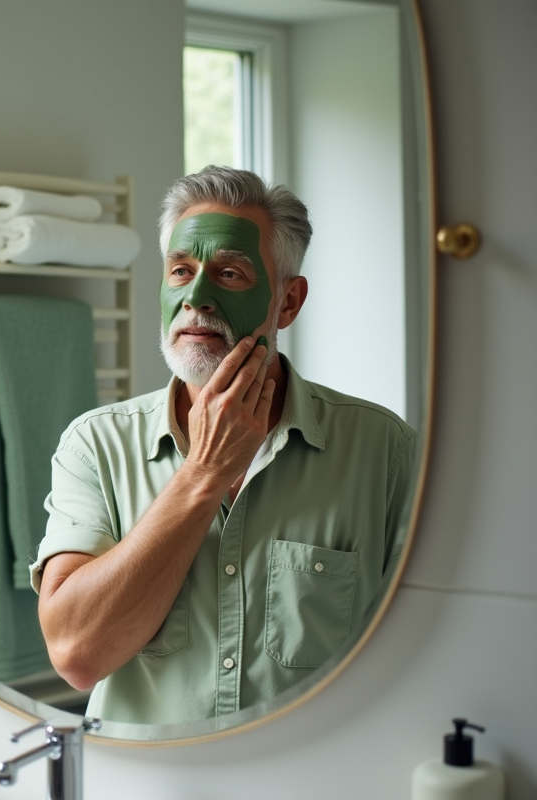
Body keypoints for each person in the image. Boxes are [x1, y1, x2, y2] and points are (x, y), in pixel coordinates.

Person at [31, 166, 417, 726]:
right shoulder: (95, 446)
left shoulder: (385, 450)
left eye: (230, 273)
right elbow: (76, 655)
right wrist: (203, 474)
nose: (197, 298)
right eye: (181, 271)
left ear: (287, 301)